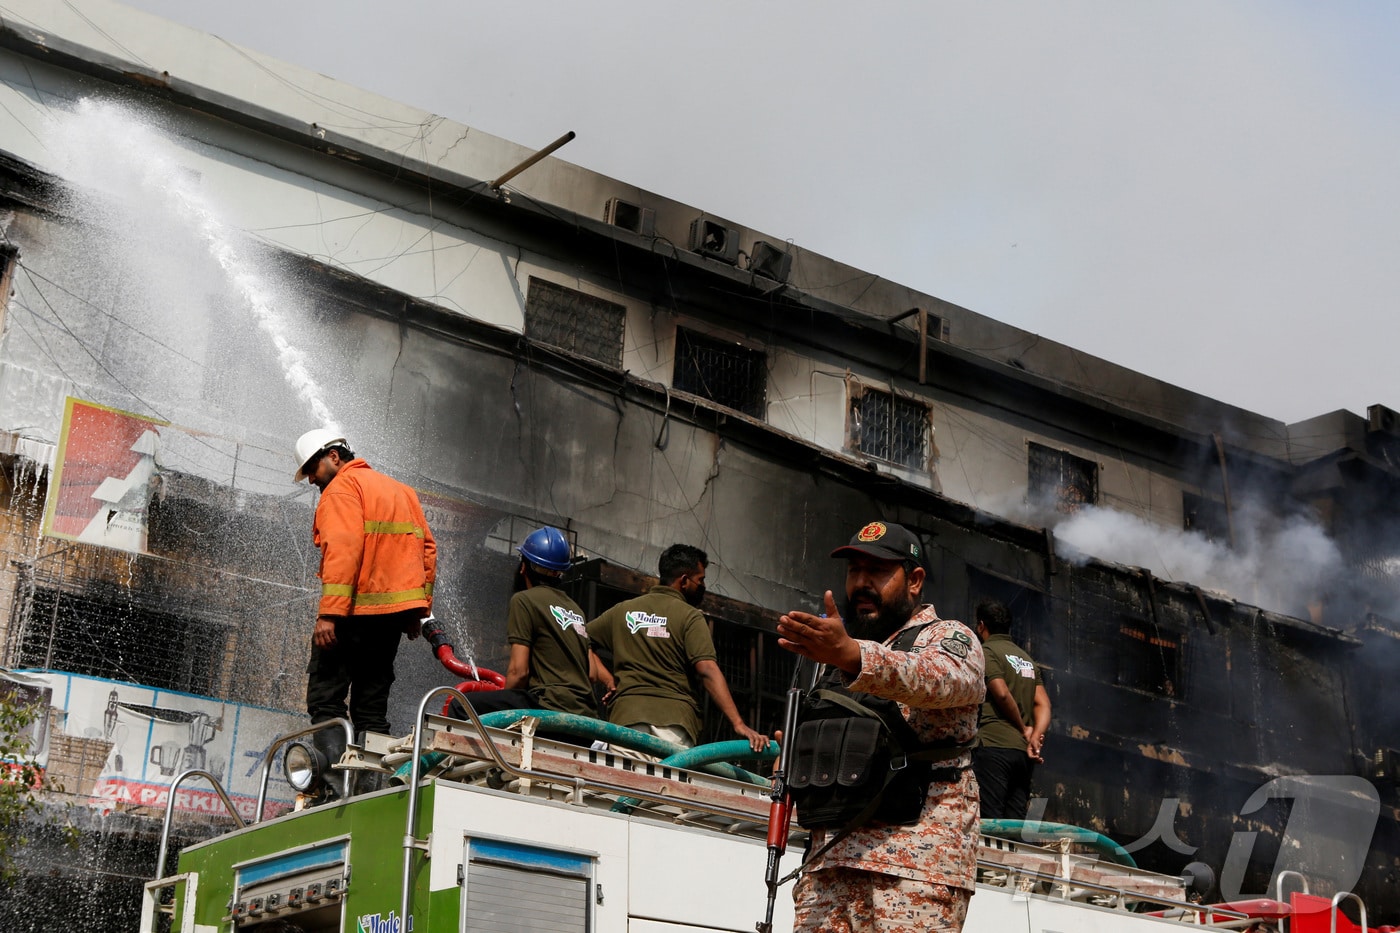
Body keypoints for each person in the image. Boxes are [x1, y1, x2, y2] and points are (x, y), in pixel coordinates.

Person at [776, 520, 984, 933]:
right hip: (827, 868)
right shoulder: (834, 658)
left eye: (878, 571)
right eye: (855, 570)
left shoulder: (949, 637)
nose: (862, 583)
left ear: (915, 580)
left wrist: (853, 656)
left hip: (912, 871)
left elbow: (938, 680)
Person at [293, 428, 435, 755]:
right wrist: (418, 611)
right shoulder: (403, 492)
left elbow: (343, 550)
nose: (311, 479)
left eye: (312, 469)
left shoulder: (340, 489)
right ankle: (370, 779)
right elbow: (427, 551)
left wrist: (329, 614)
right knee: (371, 709)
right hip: (389, 623)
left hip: (350, 615)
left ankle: (334, 779)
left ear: (333, 456)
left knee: (326, 699)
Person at [585, 543, 768, 753]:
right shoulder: (690, 617)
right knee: (666, 776)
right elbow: (707, 669)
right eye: (700, 580)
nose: (703, 586)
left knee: (625, 776)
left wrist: (608, 680)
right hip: (674, 727)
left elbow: (581, 638)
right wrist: (738, 723)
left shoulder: (622, 611)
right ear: (684, 580)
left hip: (627, 722)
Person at [466, 526, 613, 718]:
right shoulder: (576, 610)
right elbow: (592, 673)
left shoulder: (524, 600)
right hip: (585, 714)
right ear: (560, 573)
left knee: (460, 704)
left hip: (547, 705)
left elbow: (518, 672)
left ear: (524, 567)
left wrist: (503, 712)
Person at [971, 598, 1050, 820]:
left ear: (981, 625)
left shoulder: (987, 651)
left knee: (990, 819)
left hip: (993, 746)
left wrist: (1023, 727)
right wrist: (1034, 736)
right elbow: (1043, 703)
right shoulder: (1027, 659)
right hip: (1022, 753)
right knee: (1014, 821)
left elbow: (1002, 693)